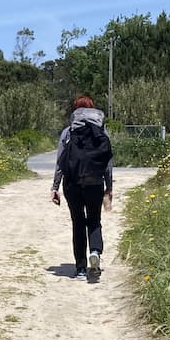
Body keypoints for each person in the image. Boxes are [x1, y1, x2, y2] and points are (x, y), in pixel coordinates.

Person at [51, 96, 113, 280]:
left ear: (75, 111)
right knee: (94, 220)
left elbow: (60, 162)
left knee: (78, 223)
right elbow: (107, 163)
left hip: (72, 184)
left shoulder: (68, 132)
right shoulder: (102, 132)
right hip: (94, 183)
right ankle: (95, 252)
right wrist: (109, 188)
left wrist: (55, 187)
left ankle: (80, 269)